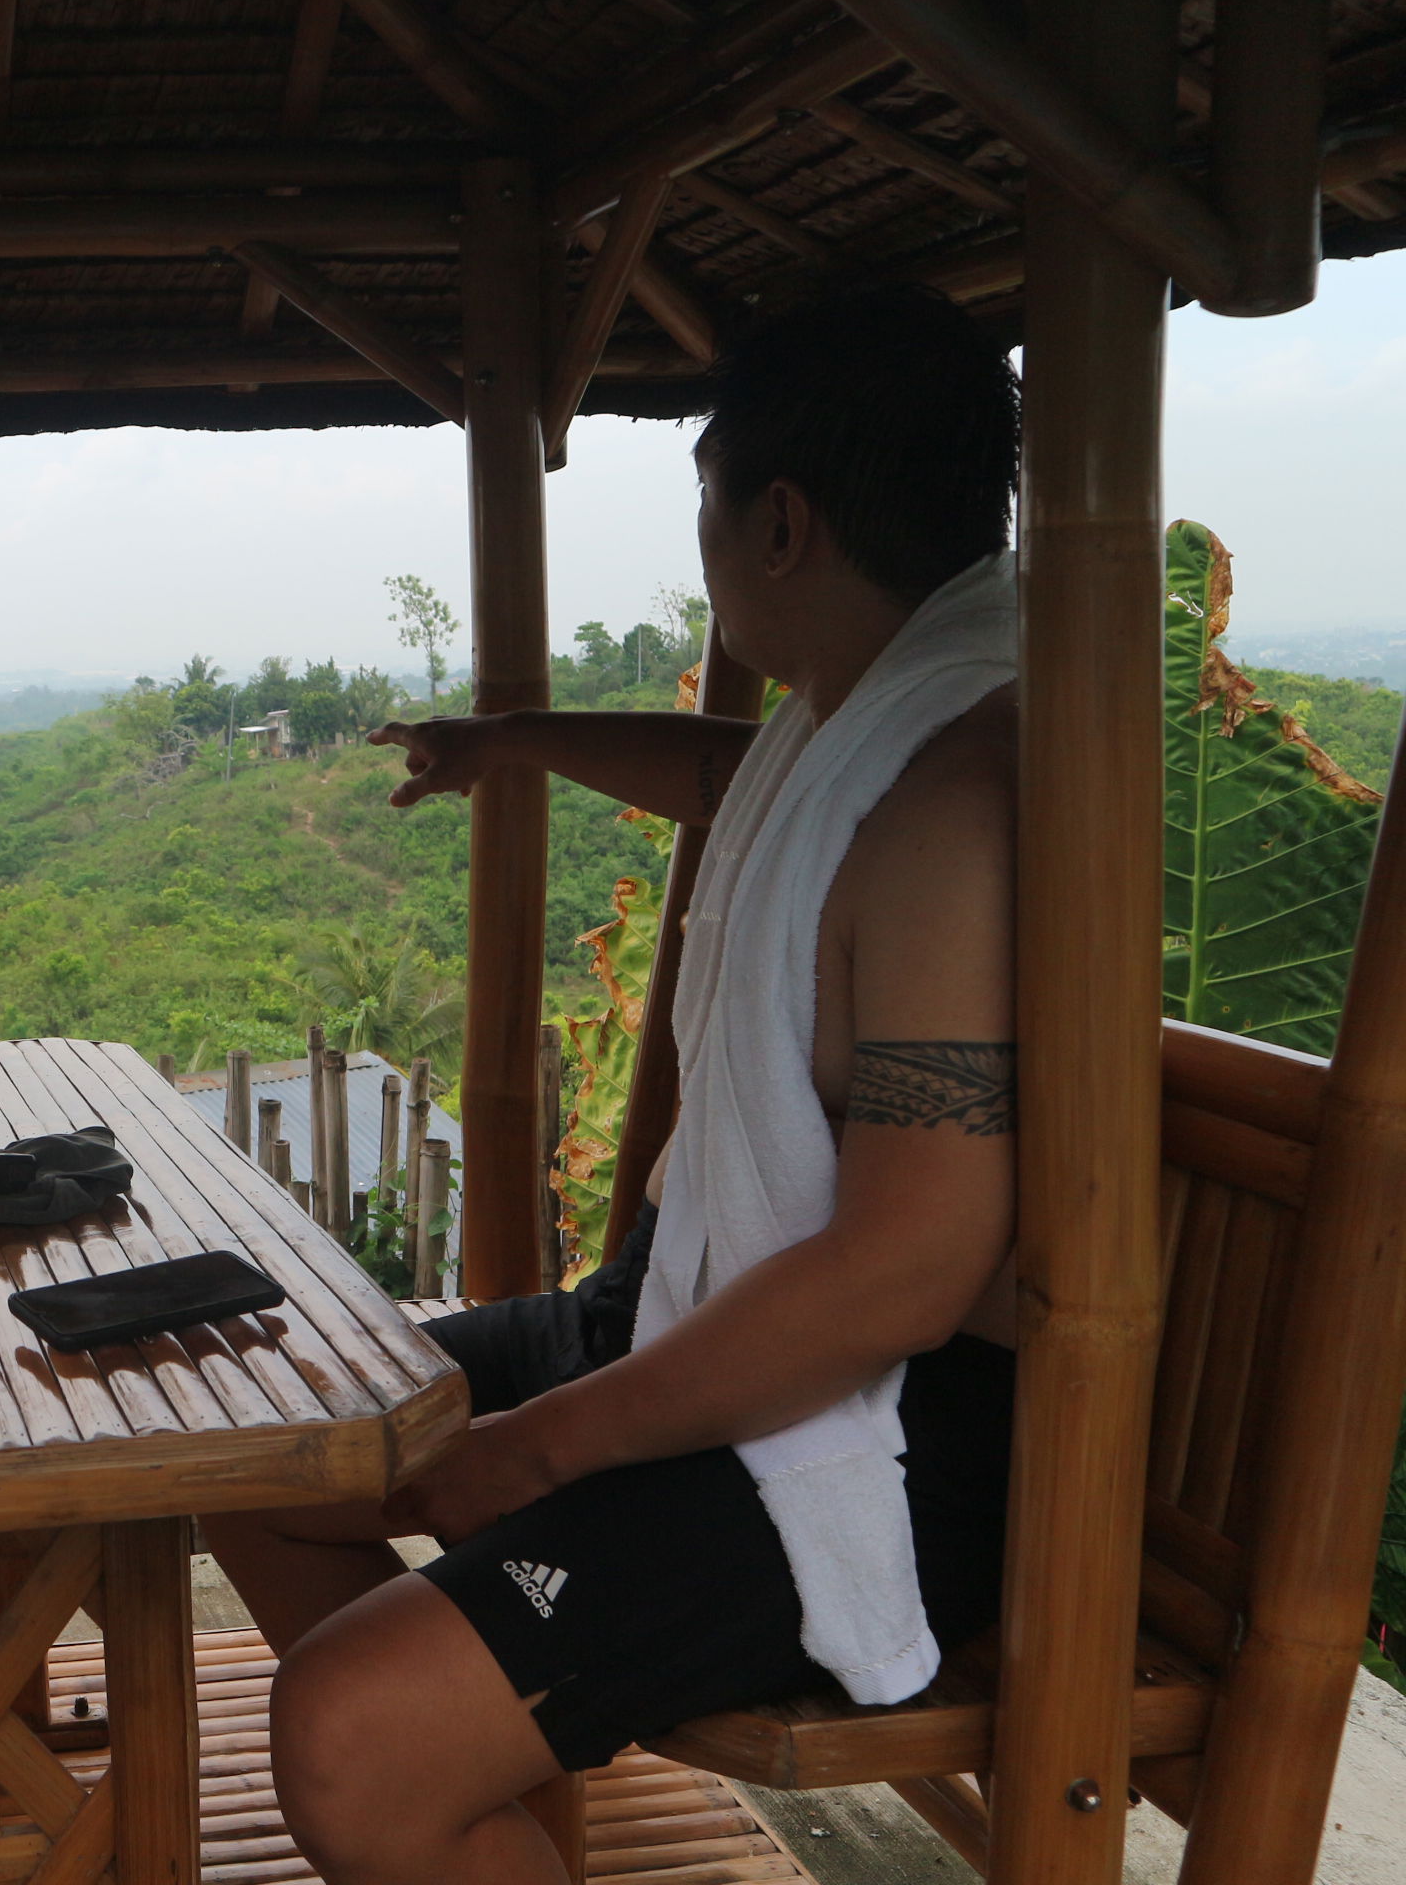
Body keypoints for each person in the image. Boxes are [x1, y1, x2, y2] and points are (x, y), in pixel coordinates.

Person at [202, 286, 1026, 1885]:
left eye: (708, 504)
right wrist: (514, 739)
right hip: (691, 1317)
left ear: (778, 522)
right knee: (276, 1449)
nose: (706, 554)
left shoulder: (951, 802)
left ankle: (432, 1770)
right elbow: (742, 789)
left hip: (877, 1434)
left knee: (351, 1732)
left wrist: (546, 1448)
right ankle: (490, 1786)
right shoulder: (864, 729)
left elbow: (909, 1270)